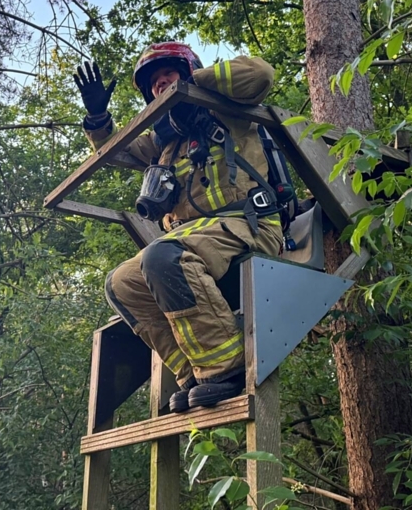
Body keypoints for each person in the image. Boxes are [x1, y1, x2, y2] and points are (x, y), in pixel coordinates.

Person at [73, 42, 283, 411]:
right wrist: (96, 118)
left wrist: (191, 88)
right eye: (154, 83)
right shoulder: (163, 143)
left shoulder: (229, 111)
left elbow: (261, 74)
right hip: (191, 239)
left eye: (168, 74)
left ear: (187, 70)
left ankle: (226, 366)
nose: (160, 85)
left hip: (247, 224)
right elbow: (113, 151)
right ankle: (193, 372)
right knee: (121, 283)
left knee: (163, 255)